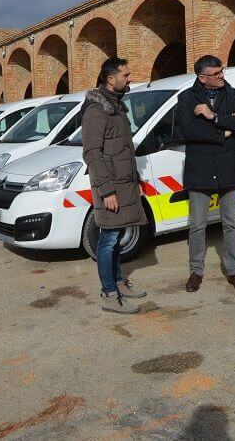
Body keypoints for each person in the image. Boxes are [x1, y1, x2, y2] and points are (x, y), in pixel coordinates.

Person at [176, 55, 235, 293]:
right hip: (200, 170)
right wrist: (223, 132)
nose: (221, 76)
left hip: (229, 168)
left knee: (231, 223)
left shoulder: (233, 94)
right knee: (198, 226)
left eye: (222, 71)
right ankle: (196, 271)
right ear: (202, 77)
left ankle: (234, 271)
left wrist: (214, 117)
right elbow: (186, 130)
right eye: (216, 73)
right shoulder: (186, 98)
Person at [82, 57, 148, 314]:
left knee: (118, 236)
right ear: (111, 79)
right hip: (110, 188)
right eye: (126, 74)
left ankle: (119, 282)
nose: (130, 78)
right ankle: (109, 293)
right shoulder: (96, 110)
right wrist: (106, 191)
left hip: (124, 185)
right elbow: (92, 154)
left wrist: (136, 181)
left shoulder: (116, 106)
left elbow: (123, 150)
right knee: (108, 239)